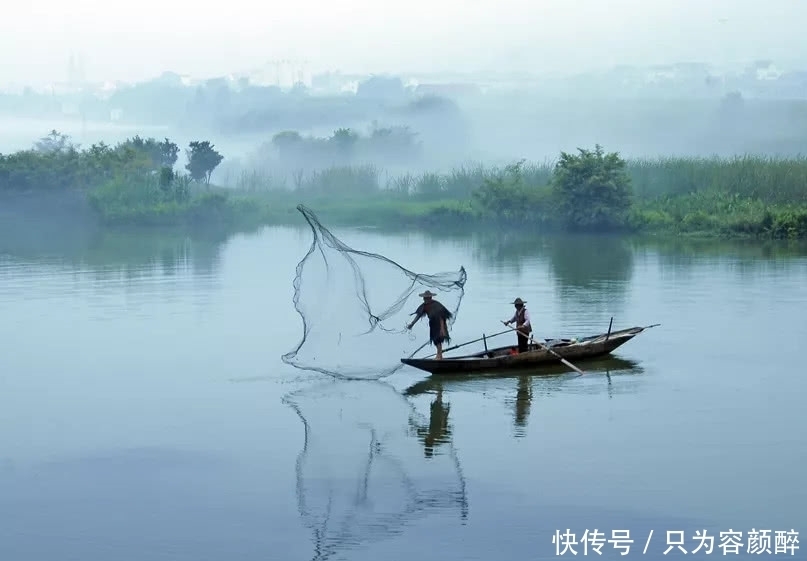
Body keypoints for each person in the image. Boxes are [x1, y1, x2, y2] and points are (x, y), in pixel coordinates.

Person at [407, 290, 452, 359]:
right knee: (435, 339)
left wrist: (442, 328)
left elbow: (441, 317)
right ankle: (439, 355)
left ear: (430, 298)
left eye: (427, 298)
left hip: (439, 322)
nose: (425, 299)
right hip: (433, 323)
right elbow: (418, 315)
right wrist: (412, 324)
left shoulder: (436, 304)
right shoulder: (424, 306)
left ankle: (439, 355)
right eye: (424, 298)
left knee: (438, 338)